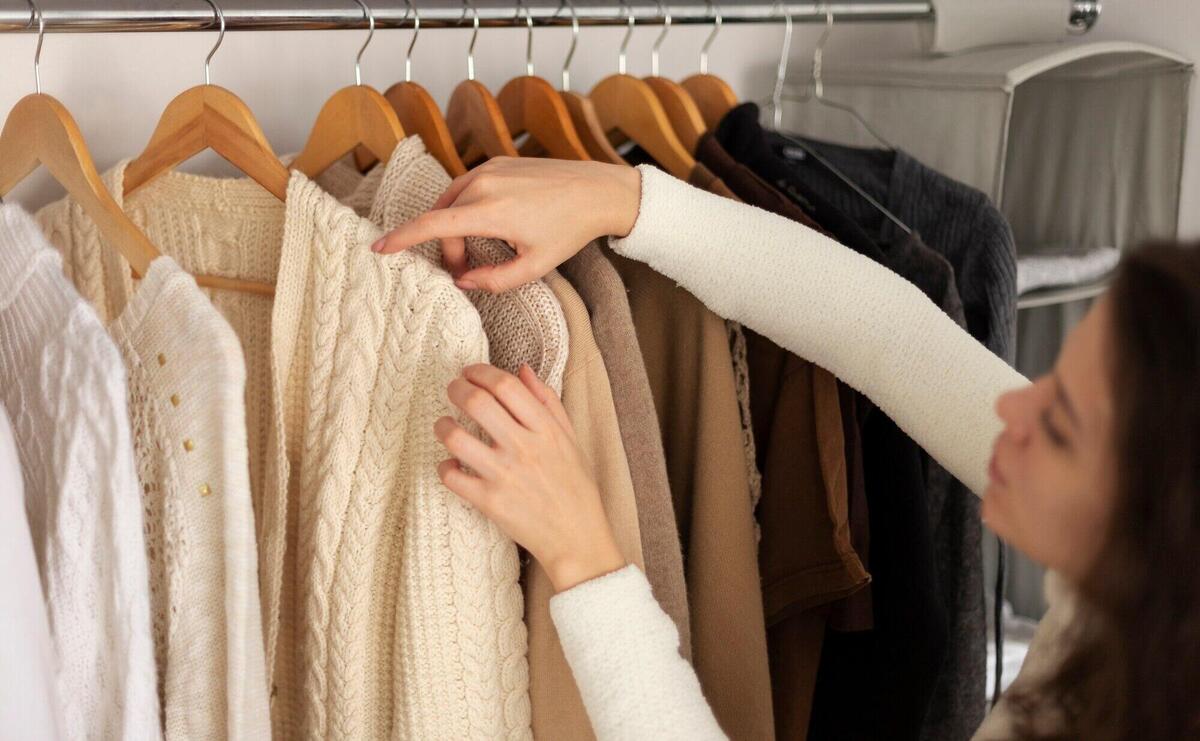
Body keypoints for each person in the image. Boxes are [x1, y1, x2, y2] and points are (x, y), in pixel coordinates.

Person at [370, 157, 1200, 741]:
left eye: (1059, 426)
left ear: (1157, 517)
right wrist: (620, 199)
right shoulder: (1137, 606)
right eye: (1051, 381)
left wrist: (584, 554)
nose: (1009, 413)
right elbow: (891, 338)